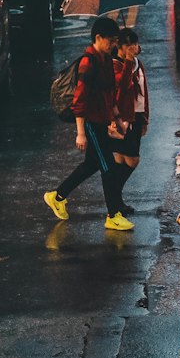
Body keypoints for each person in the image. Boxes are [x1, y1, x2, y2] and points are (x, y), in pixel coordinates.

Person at [43, 17, 134, 232]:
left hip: (102, 121)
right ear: (98, 38)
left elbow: (109, 94)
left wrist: (117, 119)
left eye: (115, 41)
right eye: (111, 40)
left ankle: (57, 196)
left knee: (92, 165)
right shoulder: (88, 62)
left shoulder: (105, 60)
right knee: (107, 167)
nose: (113, 44)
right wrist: (81, 133)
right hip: (92, 124)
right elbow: (80, 101)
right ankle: (113, 215)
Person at [109, 28, 149, 215]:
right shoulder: (116, 65)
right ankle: (113, 197)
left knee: (121, 160)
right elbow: (122, 88)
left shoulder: (137, 63)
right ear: (119, 46)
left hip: (137, 116)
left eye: (134, 43)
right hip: (124, 119)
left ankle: (116, 201)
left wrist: (146, 117)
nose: (132, 47)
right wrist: (128, 61)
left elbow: (144, 91)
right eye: (128, 45)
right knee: (131, 160)